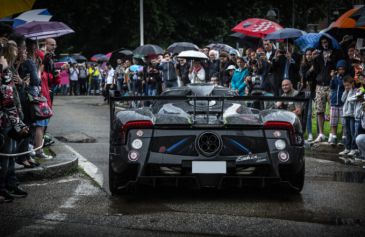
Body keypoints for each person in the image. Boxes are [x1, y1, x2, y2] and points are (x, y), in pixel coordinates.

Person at [312, 35, 344, 143]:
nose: (324, 44)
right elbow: (316, 70)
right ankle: (321, 134)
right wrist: (314, 59)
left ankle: (332, 133)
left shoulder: (335, 53)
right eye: (322, 42)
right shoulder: (319, 54)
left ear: (329, 42)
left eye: (326, 42)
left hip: (331, 85)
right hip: (320, 85)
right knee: (319, 110)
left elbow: (338, 67)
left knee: (332, 110)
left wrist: (330, 60)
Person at [328, 60, 347, 145]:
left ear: (345, 69)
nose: (341, 71)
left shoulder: (346, 78)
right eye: (339, 69)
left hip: (343, 103)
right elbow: (332, 86)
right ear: (337, 69)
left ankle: (344, 138)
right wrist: (332, 78)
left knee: (344, 122)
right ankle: (334, 137)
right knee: (333, 121)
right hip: (334, 101)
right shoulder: (335, 77)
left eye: (342, 69)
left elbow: (345, 86)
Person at [339, 75, 356, 157]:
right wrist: (345, 91)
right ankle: (347, 148)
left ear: (352, 84)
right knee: (347, 132)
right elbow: (342, 99)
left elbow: (353, 102)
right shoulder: (346, 91)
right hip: (345, 114)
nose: (346, 87)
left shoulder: (355, 91)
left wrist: (350, 92)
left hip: (352, 115)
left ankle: (353, 148)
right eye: (345, 85)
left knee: (353, 132)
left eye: (348, 85)